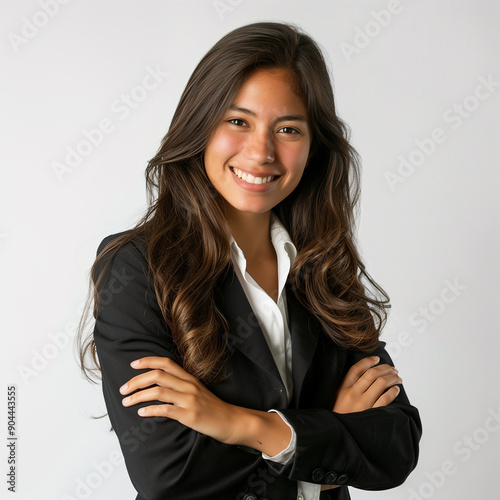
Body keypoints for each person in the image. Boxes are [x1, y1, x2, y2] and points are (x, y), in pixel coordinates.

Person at [77, 21, 422, 500]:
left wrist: (234, 423)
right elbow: (169, 474)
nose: (261, 152)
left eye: (287, 129)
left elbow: (397, 448)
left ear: (312, 147)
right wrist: (327, 435)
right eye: (237, 121)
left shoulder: (323, 267)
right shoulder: (138, 267)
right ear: (200, 125)